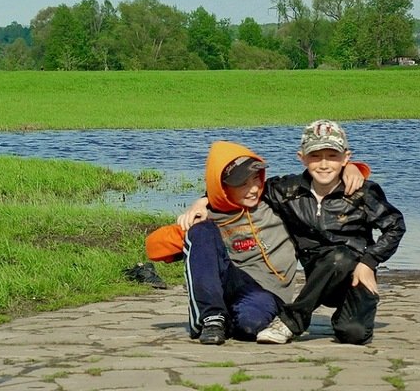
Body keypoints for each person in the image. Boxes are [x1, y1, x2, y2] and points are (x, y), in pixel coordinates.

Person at [145, 140, 367, 345]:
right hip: (228, 281)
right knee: (201, 231)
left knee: (250, 327)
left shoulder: (277, 200)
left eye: (256, 179)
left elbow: (317, 179)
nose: (252, 188)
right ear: (221, 187)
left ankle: (224, 318)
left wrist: (351, 168)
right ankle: (210, 317)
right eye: (241, 183)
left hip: (266, 293)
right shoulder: (207, 215)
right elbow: (154, 249)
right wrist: (190, 223)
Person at [254, 119, 405, 346]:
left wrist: (369, 262)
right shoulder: (286, 190)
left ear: (346, 158)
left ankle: (347, 313)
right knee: (336, 258)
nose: (324, 164)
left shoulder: (363, 192)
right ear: (301, 157)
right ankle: (290, 322)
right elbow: (243, 189)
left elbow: (395, 226)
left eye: (332, 156)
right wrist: (205, 202)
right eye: (315, 156)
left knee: (353, 335)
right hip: (316, 272)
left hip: (356, 274)